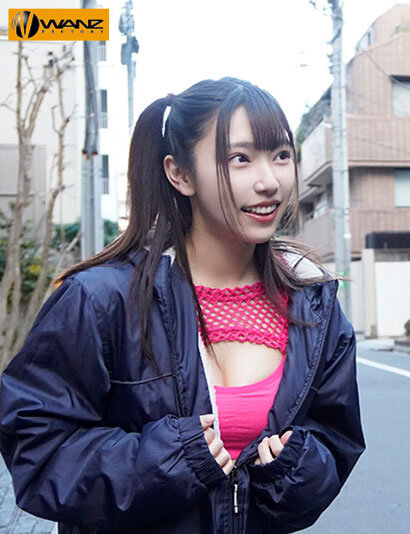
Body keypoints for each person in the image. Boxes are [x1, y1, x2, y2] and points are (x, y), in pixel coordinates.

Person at [0, 77, 365, 533]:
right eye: (240, 158)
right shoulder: (100, 300)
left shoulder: (315, 304)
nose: (270, 181)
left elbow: (336, 439)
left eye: (281, 155)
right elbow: (38, 449)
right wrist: (167, 461)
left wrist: (297, 470)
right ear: (180, 174)